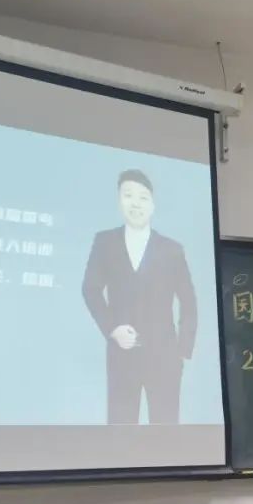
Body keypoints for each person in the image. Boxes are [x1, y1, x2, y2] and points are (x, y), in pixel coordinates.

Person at [81, 169, 197, 425]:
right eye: (128, 195)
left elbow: (189, 301)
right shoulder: (105, 242)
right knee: (121, 432)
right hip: (121, 355)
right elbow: (90, 288)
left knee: (165, 432)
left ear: (153, 205)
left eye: (143, 197)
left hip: (165, 357)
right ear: (119, 201)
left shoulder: (172, 249)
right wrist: (112, 329)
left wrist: (182, 350)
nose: (136, 203)